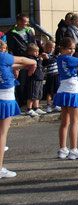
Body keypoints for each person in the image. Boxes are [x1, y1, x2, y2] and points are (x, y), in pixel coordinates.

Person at [0, 40, 36, 179]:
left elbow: (14, 64)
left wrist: (22, 66)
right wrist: (33, 62)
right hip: (4, 99)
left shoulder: (4, 60)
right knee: (2, 134)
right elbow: (21, 59)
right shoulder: (3, 57)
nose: (4, 51)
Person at [54, 37, 78, 160]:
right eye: (69, 48)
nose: (72, 51)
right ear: (62, 48)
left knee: (65, 122)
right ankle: (73, 149)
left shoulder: (60, 58)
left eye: (73, 48)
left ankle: (62, 149)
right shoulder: (69, 58)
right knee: (75, 122)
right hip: (72, 92)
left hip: (63, 91)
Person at [6, 14, 37, 106]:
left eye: (27, 22)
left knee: (29, 81)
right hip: (19, 59)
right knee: (20, 81)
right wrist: (14, 64)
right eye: (25, 22)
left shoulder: (29, 31)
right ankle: (20, 102)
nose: (26, 24)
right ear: (19, 21)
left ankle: (27, 101)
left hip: (29, 58)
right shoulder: (11, 33)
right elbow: (10, 49)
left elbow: (33, 44)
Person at [24, 44, 46, 117]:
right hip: (33, 79)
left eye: (38, 51)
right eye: (35, 51)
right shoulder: (30, 59)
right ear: (29, 52)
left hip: (39, 78)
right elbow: (35, 65)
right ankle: (29, 109)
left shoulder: (37, 58)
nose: (37, 53)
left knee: (38, 94)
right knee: (32, 94)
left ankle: (36, 107)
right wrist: (40, 60)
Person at [41, 40, 60, 113]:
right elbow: (46, 63)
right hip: (50, 76)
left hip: (56, 74)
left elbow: (55, 59)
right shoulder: (45, 55)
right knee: (49, 91)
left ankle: (56, 104)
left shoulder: (54, 55)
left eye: (53, 47)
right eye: (51, 47)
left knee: (56, 90)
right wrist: (48, 58)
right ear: (47, 47)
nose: (52, 49)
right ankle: (48, 105)